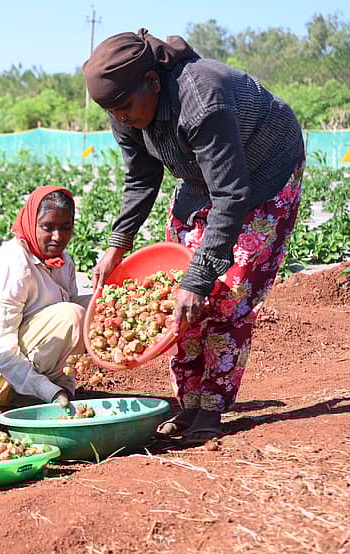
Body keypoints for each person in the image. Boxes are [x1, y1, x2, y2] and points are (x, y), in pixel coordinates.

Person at [83, 29, 305, 442]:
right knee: (178, 292)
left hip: (261, 175)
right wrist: (118, 243)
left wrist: (202, 277)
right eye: (112, 112)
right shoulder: (125, 110)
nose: (121, 119)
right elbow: (141, 178)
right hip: (202, 179)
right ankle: (189, 402)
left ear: (152, 82)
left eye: (125, 108)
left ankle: (213, 406)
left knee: (227, 292)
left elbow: (232, 194)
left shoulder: (202, 99)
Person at [0, 185, 89, 408]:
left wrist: (65, 385)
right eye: (48, 227)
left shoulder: (64, 262)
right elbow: (1, 347)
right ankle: (22, 393)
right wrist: (49, 391)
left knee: (96, 307)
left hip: (28, 348)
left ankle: (57, 384)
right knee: (72, 315)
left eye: (66, 227)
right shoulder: (14, 264)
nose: (58, 236)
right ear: (31, 224)